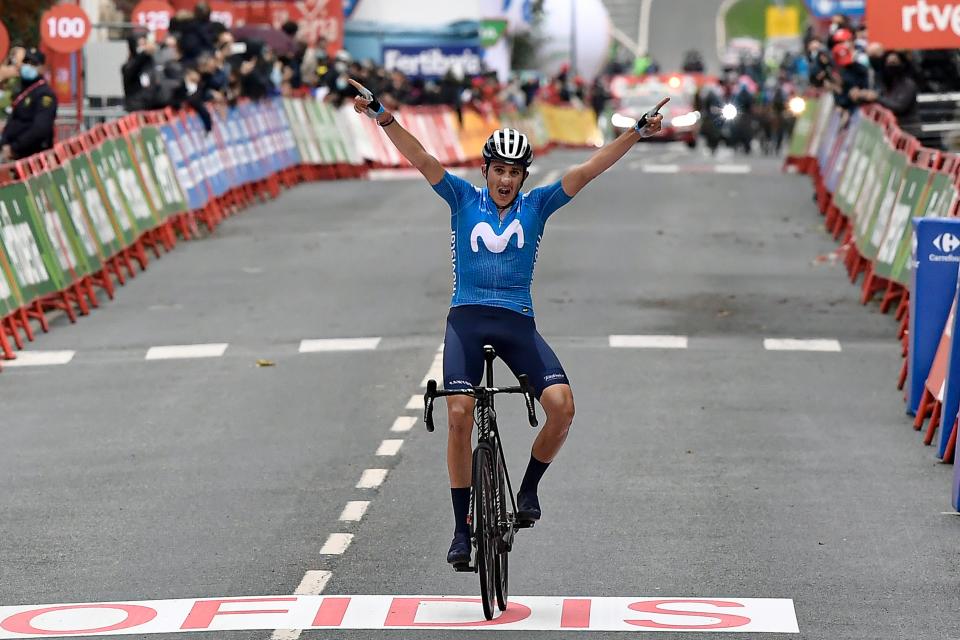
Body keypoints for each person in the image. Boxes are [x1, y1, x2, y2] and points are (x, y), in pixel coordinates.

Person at [349, 78, 665, 565]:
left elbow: (587, 171)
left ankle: (529, 490)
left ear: (523, 177)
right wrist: (382, 115)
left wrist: (635, 134)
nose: (505, 180)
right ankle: (461, 529)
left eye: (514, 173)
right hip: (467, 321)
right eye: (498, 170)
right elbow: (424, 159)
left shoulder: (538, 205)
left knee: (561, 406)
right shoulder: (461, 199)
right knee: (458, 415)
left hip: (517, 321)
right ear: (486, 170)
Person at [0, 49, 57, 162]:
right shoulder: (25, 90)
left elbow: (40, 129)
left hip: (32, 157)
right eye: (26, 62)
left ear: (42, 68)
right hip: (15, 155)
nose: (28, 66)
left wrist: (14, 147)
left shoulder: (44, 94)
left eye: (33, 64)